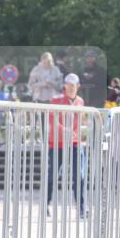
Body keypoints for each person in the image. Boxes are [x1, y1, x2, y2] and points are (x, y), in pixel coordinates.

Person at [46, 74, 86, 216]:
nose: (70, 88)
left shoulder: (80, 101)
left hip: (75, 143)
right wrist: (66, 131)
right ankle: (46, 204)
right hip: (57, 144)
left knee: (79, 176)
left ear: (78, 87)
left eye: (73, 85)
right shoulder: (56, 100)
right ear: (64, 86)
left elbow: (80, 121)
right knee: (52, 176)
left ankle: (81, 208)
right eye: (68, 85)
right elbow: (52, 120)